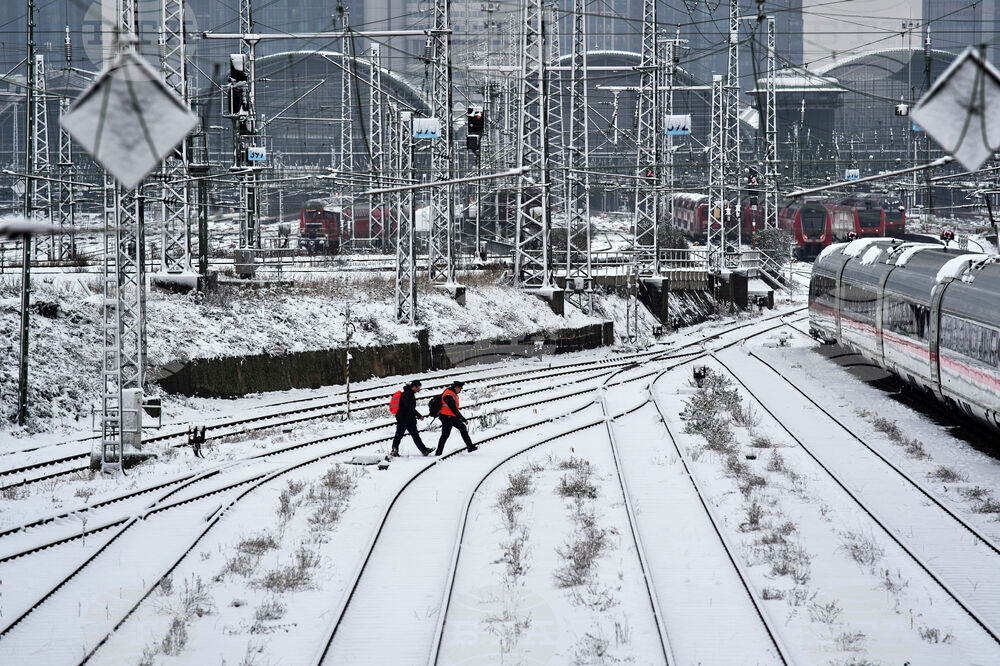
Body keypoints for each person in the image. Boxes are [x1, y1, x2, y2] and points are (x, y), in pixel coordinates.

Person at [435, 380, 478, 455]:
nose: (460, 390)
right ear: (456, 387)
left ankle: (470, 447)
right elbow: (454, 409)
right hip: (446, 417)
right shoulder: (448, 396)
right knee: (445, 435)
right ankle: (438, 453)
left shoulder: (451, 392)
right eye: (460, 388)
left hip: (451, 416)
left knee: (462, 428)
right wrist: (463, 419)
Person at [392, 380, 432, 457]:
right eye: (418, 388)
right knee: (399, 435)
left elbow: (410, 408)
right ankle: (394, 451)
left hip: (409, 418)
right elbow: (409, 407)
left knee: (415, 435)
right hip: (403, 418)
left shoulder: (410, 393)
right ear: (414, 387)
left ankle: (424, 450)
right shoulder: (406, 394)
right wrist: (418, 415)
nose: (419, 390)